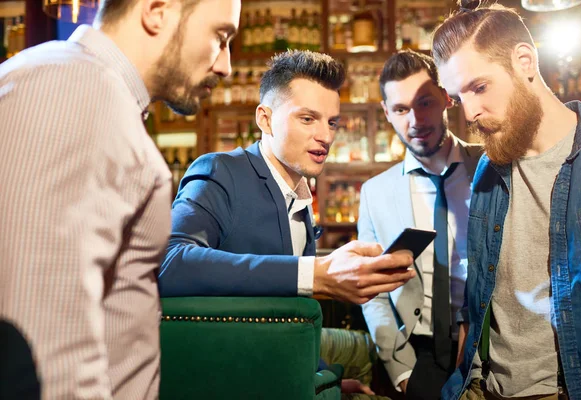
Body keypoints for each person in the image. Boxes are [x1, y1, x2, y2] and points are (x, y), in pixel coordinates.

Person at [0, 0, 241, 398]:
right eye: (220, 37)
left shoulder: (89, 89)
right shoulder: (76, 92)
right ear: (157, 11)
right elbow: (43, 349)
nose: (225, 65)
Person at [431, 1, 581, 399]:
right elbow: (479, 296)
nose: (470, 112)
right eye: (458, 97)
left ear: (525, 61)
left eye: (480, 86)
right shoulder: (488, 169)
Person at [158, 50, 416, 305]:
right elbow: (168, 263)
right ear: (265, 120)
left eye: (332, 123)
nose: (325, 137)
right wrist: (316, 274)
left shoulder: (299, 196)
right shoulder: (220, 171)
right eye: (307, 119)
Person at [358, 50, 482, 400]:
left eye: (424, 102)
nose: (415, 120)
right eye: (400, 109)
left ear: (446, 98)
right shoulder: (374, 193)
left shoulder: (491, 168)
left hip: (487, 348)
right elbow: (373, 291)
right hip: (419, 355)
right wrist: (402, 372)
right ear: (386, 113)